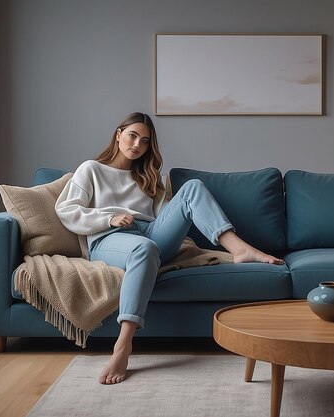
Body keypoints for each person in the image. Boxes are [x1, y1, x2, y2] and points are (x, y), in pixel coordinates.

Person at [55, 112, 284, 385]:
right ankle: (123, 345)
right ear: (118, 134)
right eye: (132, 136)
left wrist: (166, 206)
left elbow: (165, 219)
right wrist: (108, 218)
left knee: (192, 188)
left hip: (150, 236)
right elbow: (66, 210)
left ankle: (239, 249)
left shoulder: (147, 177)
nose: (137, 144)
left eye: (144, 140)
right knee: (144, 250)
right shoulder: (91, 169)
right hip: (111, 238)